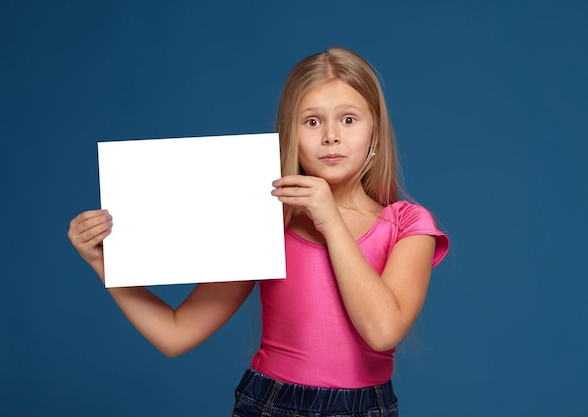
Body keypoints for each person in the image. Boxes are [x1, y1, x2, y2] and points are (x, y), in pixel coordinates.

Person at [68, 47, 449, 417]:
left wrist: (330, 220)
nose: (331, 136)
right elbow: (176, 333)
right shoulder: (266, 221)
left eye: (348, 119)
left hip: (366, 408)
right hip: (269, 404)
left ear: (376, 133)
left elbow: (382, 331)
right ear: (291, 134)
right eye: (312, 121)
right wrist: (106, 265)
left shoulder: (408, 225)